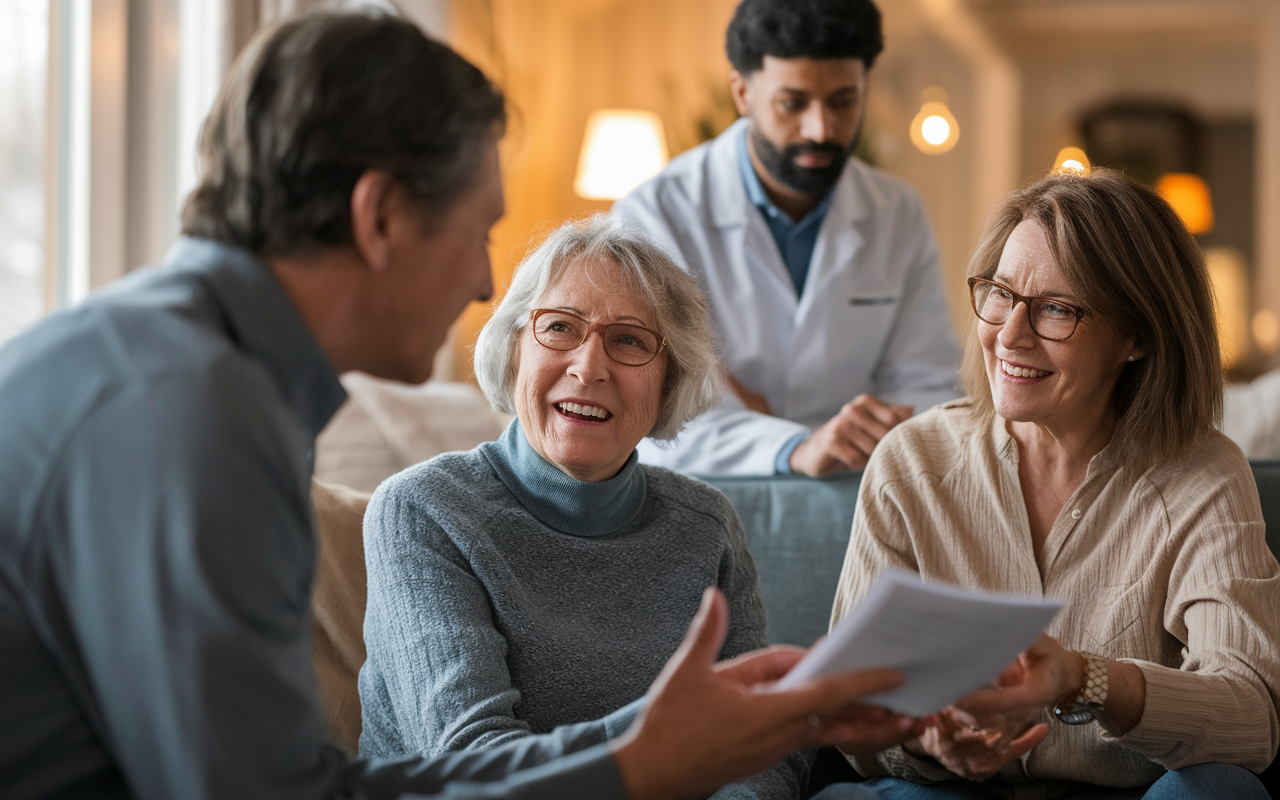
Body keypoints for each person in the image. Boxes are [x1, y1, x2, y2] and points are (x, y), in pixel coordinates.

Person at [0, 11, 925, 800]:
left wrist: (680, 751)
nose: (487, 281)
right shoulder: (194, 415)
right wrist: (639, 765)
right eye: (481, 230)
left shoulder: (194, 375)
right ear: (381, 218)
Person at [826, 169, 1280, 798]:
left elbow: (1250, 718)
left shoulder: (1203, 477)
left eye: (1057, 310)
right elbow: (848, 710)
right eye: (1001, 293)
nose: (1009, 335)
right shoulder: (912, 462)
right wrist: (925, 740)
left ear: (1137, 336)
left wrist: (1082, 679)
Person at [360, 214, 828, 799]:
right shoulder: (423, 511)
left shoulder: (708, 527)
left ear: (669, 382)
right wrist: (673, 730)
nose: (588, 367)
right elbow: (473, 764)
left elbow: (760, 753)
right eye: (559, 328)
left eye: (629, 340)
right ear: (513, 352)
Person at [614, 0, 959, 478]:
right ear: (742, 92)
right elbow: (656, 407)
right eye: (792, 103)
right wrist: (797, 444)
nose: (821, 129)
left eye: (843, 101)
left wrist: (766, 416)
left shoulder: (898, 213)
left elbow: (929, 385)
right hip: (708, 496)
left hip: (859, 490)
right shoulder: (656, 215)